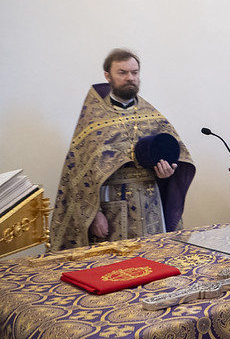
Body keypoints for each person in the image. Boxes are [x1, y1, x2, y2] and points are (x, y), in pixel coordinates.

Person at [51, 49, 195, 250]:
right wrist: (94, 214)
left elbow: (176, 158)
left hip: (150, 203)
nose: (130, 78)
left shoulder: (152, 115)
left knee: (154, 265)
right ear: (107, 76)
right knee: (117, 270)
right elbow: (80, 174)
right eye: (123, 73)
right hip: (113, 209)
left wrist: (167, 173)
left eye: (134, 73)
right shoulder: (94, 119)